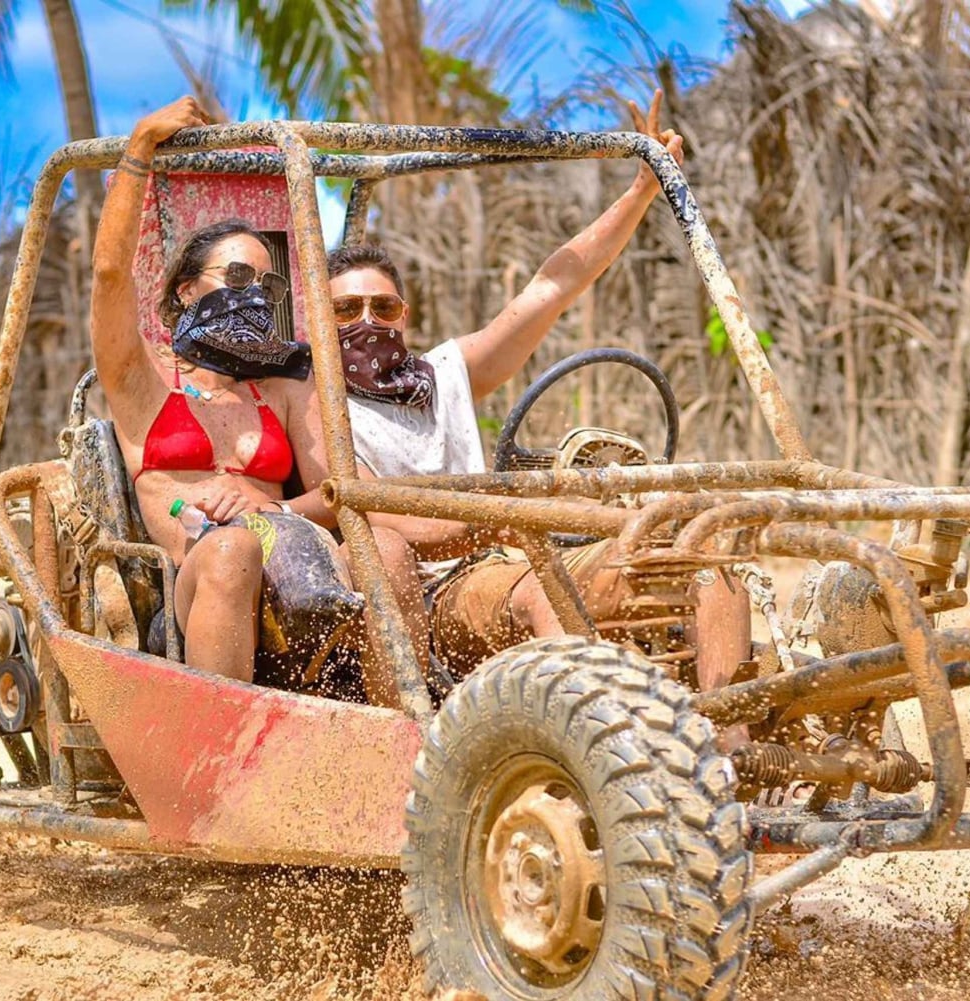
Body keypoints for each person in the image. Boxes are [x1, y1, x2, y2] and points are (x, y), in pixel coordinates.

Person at [329, 91, 746, 693]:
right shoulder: (321, 408)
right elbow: (387, 522)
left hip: (511, 558)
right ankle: (600, 728)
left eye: (383, 307)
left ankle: (728, 730)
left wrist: (641, 191)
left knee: (700, 551)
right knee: (545, 590)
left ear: (404, 314)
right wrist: (511, 520)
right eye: (346, 310)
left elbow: (554, 286)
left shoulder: (446, 373)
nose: (368, 321)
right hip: (434, 591)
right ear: (321, 319)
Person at [90, 96, 421, 707]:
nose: (255, 296)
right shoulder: (146, 380)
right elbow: (111, 275)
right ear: (186, 291)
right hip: (199, 584)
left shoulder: (283, 386)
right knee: (231, 548)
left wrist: (274, 507)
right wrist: (139, 147)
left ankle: (404, 728)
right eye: (236, 278)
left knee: (390, 549)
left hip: (300, 577)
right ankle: (221, 746)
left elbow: (340, 491)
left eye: (267, 285)